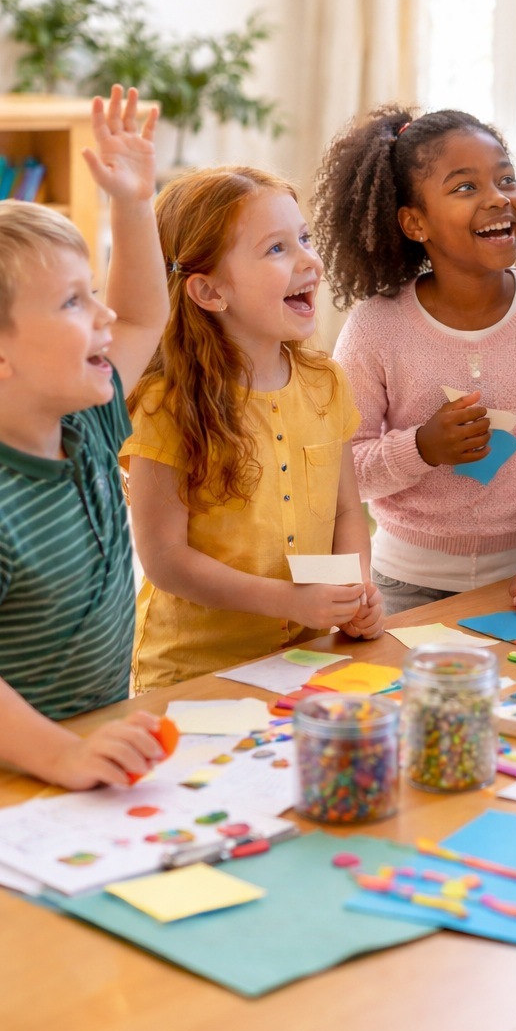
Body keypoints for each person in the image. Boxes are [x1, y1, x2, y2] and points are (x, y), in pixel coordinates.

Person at [313, 106, 516, 615]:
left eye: (506, 179)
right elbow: (341, 471)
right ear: (414, 222)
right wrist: (421, 448)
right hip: (401, 586)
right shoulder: (376, 326)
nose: (499, 198)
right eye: (466, 187)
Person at [0, 87, 171, 787]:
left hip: (93, 747)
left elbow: (142, 317)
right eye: (72, 302)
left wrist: (133, 203)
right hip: (5, 776)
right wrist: (61, 755)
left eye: (93, 291)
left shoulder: (85, 421)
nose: (104, 314)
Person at [124, 165, 382, 692]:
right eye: (276, 249)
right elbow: (165, 560)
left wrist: (355, 590)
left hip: (308, 661)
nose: (309, 260)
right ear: (209, 291)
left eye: (304, 239)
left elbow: (345, 510)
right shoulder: (165, 404)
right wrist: (289, 600)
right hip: (192, 674)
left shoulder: (327, 382)